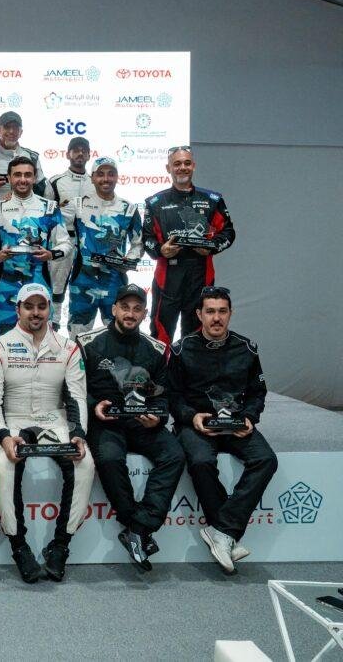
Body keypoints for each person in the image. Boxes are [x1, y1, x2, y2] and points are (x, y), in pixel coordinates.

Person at [0, 283, 93, 583]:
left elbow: (77, 396)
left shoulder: (68, 348)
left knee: (84, 464)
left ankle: (61, 546)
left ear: (50, 310)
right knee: (4, 466)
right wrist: (3, 437)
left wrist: (79, 434)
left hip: (55, 420)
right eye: (29, 306)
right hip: (13, 421)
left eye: (41, 306)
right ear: (17, 309)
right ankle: (19, 547)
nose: (35, 312)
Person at [167, 287, 276, 575]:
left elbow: (257, 393)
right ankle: (226, 533)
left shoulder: (247, 348)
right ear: (199, 314)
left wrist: (249, 417)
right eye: (211, 311)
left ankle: (222, 530)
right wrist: (192, 417)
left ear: (231, 313)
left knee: (266, 459)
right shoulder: (181, 349)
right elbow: (172, 396)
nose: (216, 318)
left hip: (237, 424)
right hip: (197, 424)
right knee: (201, 461)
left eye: (222, 311)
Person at [77, 284, 185, 571]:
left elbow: (163, 395)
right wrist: (93, 406)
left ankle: (139, 528)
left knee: (175, 454)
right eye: (125, 307)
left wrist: (158, 417)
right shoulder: (88, 343)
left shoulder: (156, 349)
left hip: (142, 424)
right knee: (109, 459)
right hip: (106, 423)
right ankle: (136, 523)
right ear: (114, 309)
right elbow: (74, 389)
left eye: (137, 309)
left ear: (144, 314)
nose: (130, 313)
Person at [143, 146, 236, 345]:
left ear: (193, 166)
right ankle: (162, 367)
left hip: (200, 276)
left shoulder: (212, 200)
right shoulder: (154, 202)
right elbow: (147, 239)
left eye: (187, 163)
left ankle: (192, 367)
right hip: (167, 277)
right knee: (160, 336)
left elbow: (229, 232)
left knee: (197, 337)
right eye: (177, 163)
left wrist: (211, 246)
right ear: (168, 168)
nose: (182, 167)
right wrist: (161, 250)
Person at [0, 157, 73, 336]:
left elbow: (66, 243)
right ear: (9, 178)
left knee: (40, 340)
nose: (23, 179)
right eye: (17, 175)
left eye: (27, 175)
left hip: (39, 282)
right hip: (5, 285)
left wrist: (51, 254)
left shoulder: (50, 207)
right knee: (4, 338)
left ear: (34, 178)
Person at [67, 157, 143, 336]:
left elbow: (138, 243)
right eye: (100, 174)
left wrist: (129, 261)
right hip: (82, 281)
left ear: (117, 177)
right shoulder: (78, 204)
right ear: (92, 178)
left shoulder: (128, 209)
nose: (106, 179)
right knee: (78, 336)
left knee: (119, 335)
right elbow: (52, 220)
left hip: (115, 281)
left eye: (111, 174)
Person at [45, 137, 94, 316]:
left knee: (84, 286)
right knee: (56, 285)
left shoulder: (96, 182)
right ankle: (54, 322)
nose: (80, 153)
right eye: (76, 150)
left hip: (89, 243)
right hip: (62, 240)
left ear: (89, 155)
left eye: (84, 150)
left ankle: (78, 326)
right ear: (68, 154)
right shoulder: (56, 181)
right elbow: (45, 213)